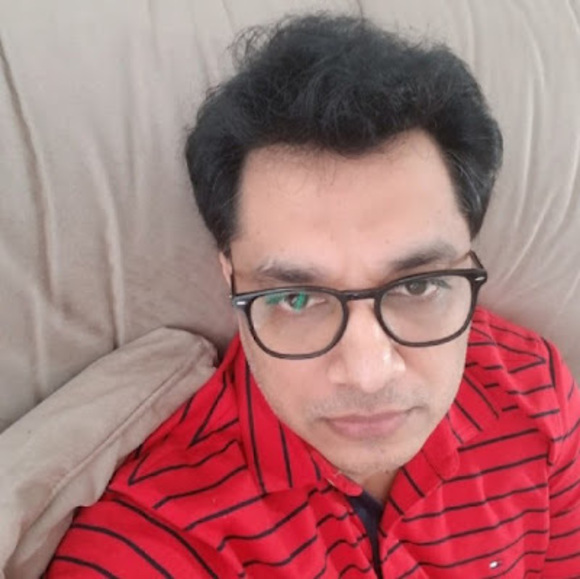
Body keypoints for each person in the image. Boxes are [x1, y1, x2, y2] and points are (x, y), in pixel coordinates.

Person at [46, 14, 580, 578]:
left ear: (469, 261)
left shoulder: (535, 392)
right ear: (232, 280)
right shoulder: (151, 544)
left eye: (418, 285)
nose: (368, 375)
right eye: (297, 298)